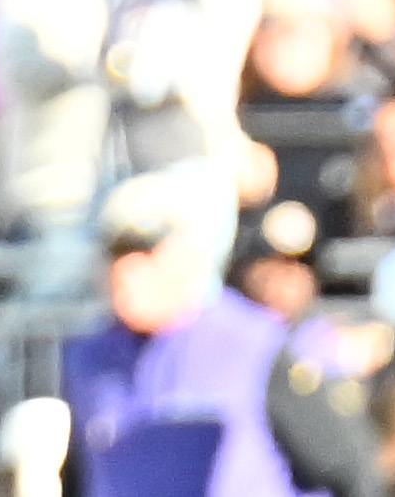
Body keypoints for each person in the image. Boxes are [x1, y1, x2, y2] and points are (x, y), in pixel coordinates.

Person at [60, 172, 303, 497]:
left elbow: (345, 466)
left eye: (146, 254)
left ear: (186, 257)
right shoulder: (88, 360)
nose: (127, 273)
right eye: (116, 255)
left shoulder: (255, 344)